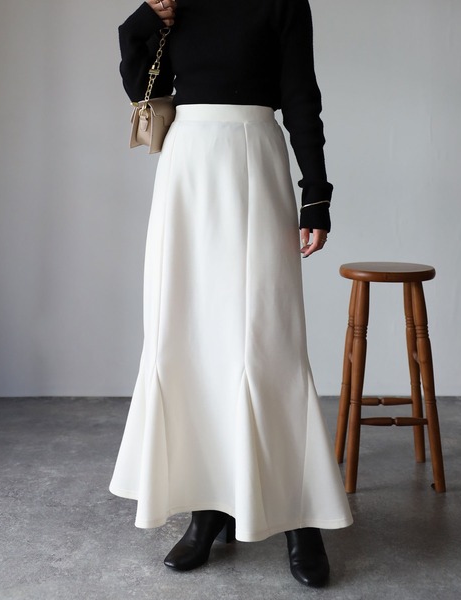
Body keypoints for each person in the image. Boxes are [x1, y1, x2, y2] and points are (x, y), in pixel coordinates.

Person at [109, 0, 353, 588]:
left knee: (267, 342)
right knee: (187, 337)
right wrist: (143, 21)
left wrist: (316, 193)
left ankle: (300, 515)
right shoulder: (174, 3)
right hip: (187, 169)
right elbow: (143, 89)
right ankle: (208, 505)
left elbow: (301, 96)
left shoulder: (283, 2)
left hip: (254, 159)